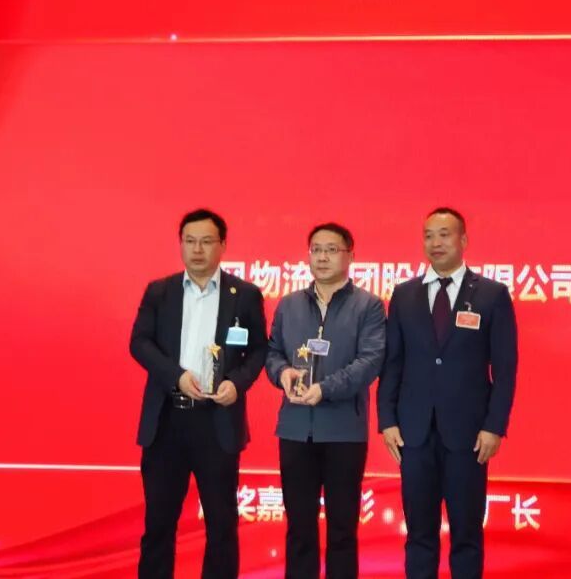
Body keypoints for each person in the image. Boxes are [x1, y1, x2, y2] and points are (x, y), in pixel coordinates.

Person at [377, 207, 518, 579]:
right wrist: (387, 420)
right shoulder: (404, 295)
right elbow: (393, 362)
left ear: (463, 240)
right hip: (414, 433)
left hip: (469, 436)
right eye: (428, 235)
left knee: (466, 533)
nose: (435, 243)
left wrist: (494, 426)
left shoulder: (491, 295)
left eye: (444, 234)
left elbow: (505, 370)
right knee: (419, 534)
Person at [130, 208, 268, 579]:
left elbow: (259, 350)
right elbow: (139, 343)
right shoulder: (160, 291)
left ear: (222, 245)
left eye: (206, 242)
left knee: (221, 525)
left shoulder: (244, 295)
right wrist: (175, 376)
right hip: (167, 420)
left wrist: (236, 383)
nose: (197, 250)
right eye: (190, 241)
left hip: (217, 421)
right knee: (159, 522)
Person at [265, 222, 386, 579]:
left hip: (344, 431)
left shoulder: (368, 306)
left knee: (342, 531)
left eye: (331, 250)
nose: (322, 257)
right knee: (299, 528)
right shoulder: (289, 305)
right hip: (294, 430)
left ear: (350, 256)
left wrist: (325, 388)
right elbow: (272, 352)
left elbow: (370, 361)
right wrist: (282, 373)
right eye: (316, 249)